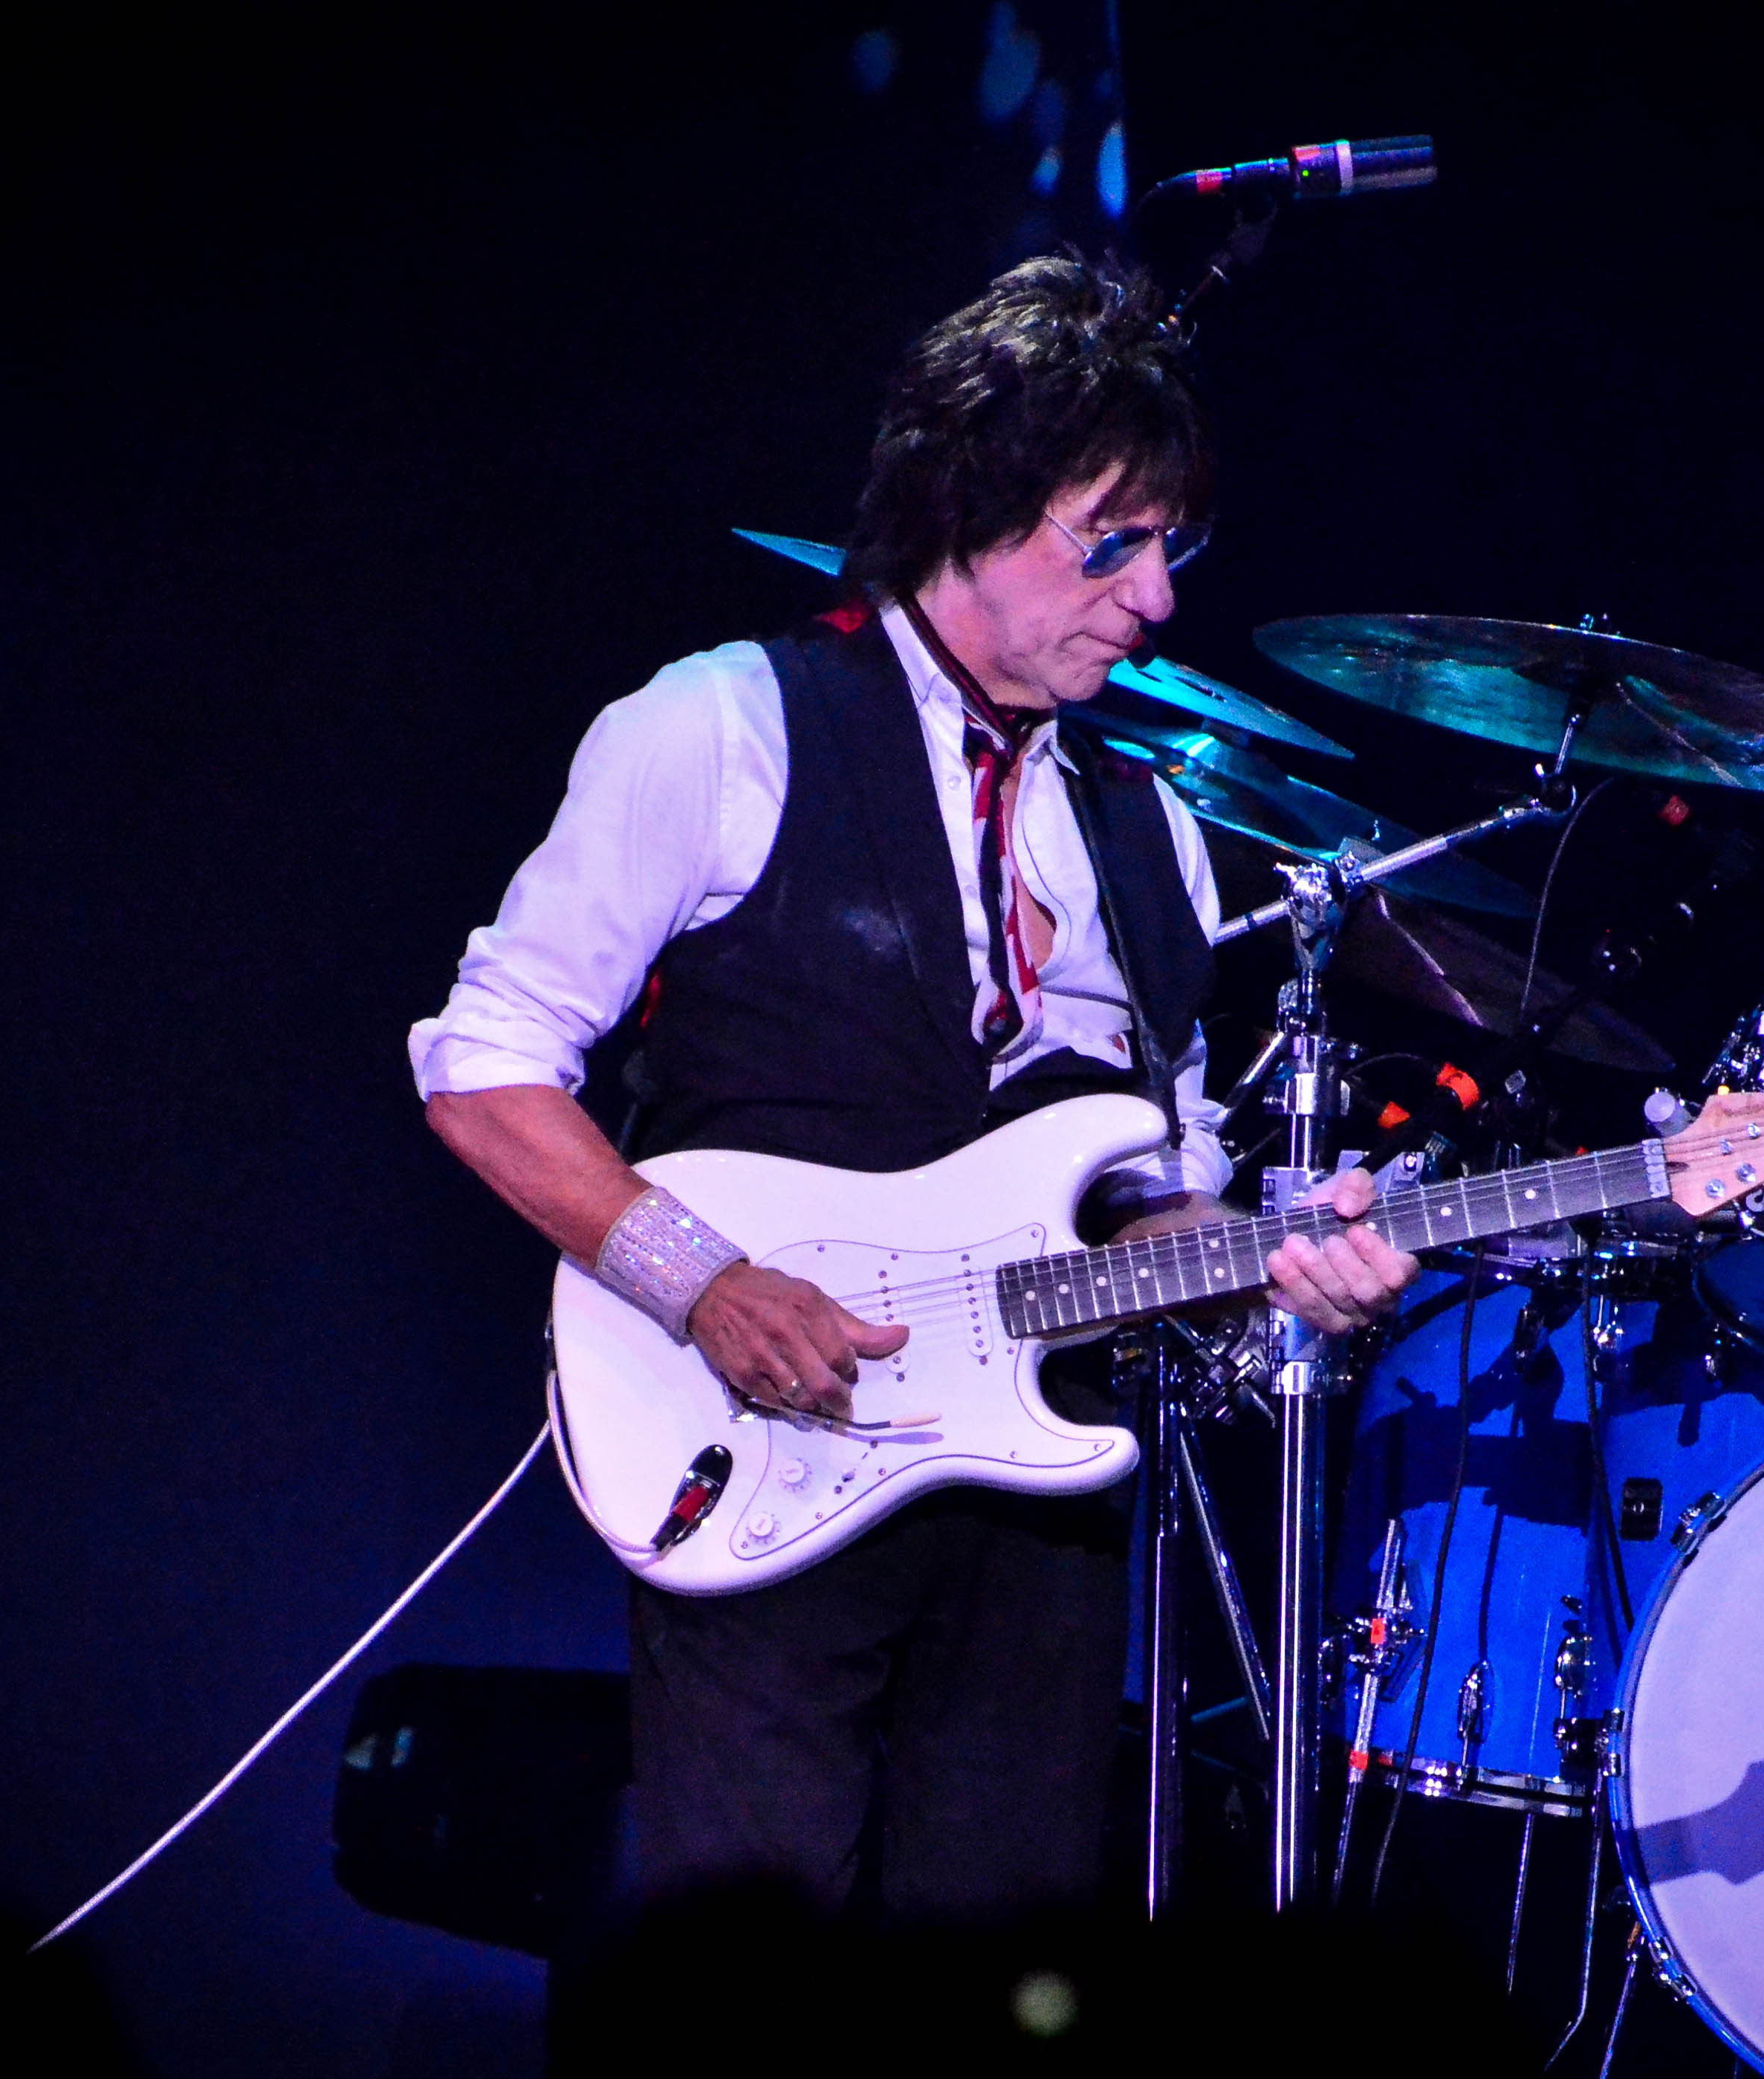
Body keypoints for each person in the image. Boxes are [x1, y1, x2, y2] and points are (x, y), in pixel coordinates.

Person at [407, 255, 1418, 1921]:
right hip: (757, 1436)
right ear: (967, 501)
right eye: (1113, 539)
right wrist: (700, 1279)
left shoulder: (1146, 829)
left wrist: (1277, 1266)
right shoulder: (722, 727)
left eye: (1173, 546)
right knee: (753, 1999)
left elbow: (1151, 1192)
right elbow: (483, 1064)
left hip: (1039, 1495)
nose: (1156, 597)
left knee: (987, 2016)